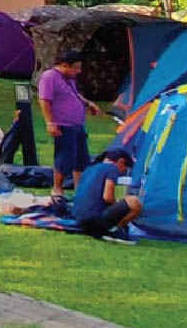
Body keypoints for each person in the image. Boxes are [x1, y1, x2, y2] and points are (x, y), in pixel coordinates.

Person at [40, 49, 96, 202]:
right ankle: (57, 188)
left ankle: (80, 191)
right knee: (65, 158)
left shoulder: (69, 79)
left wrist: (87, 103)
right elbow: (45, 100)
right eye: (76, 68)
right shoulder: (49, 77)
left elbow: (74, 94)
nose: (78, 71)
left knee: (81, 159)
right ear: (65, 65)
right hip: (63, 125)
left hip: (77, 125)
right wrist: (50, 122)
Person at [71, 146, 142, 237]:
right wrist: (118, 205)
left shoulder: (89, 169)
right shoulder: (112, 169)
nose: (124, 171)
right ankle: (116, 229)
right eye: (125, 168)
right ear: (120, 162)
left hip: (80, 219)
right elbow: (107, 197)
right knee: (134, 202)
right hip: (96, 221)